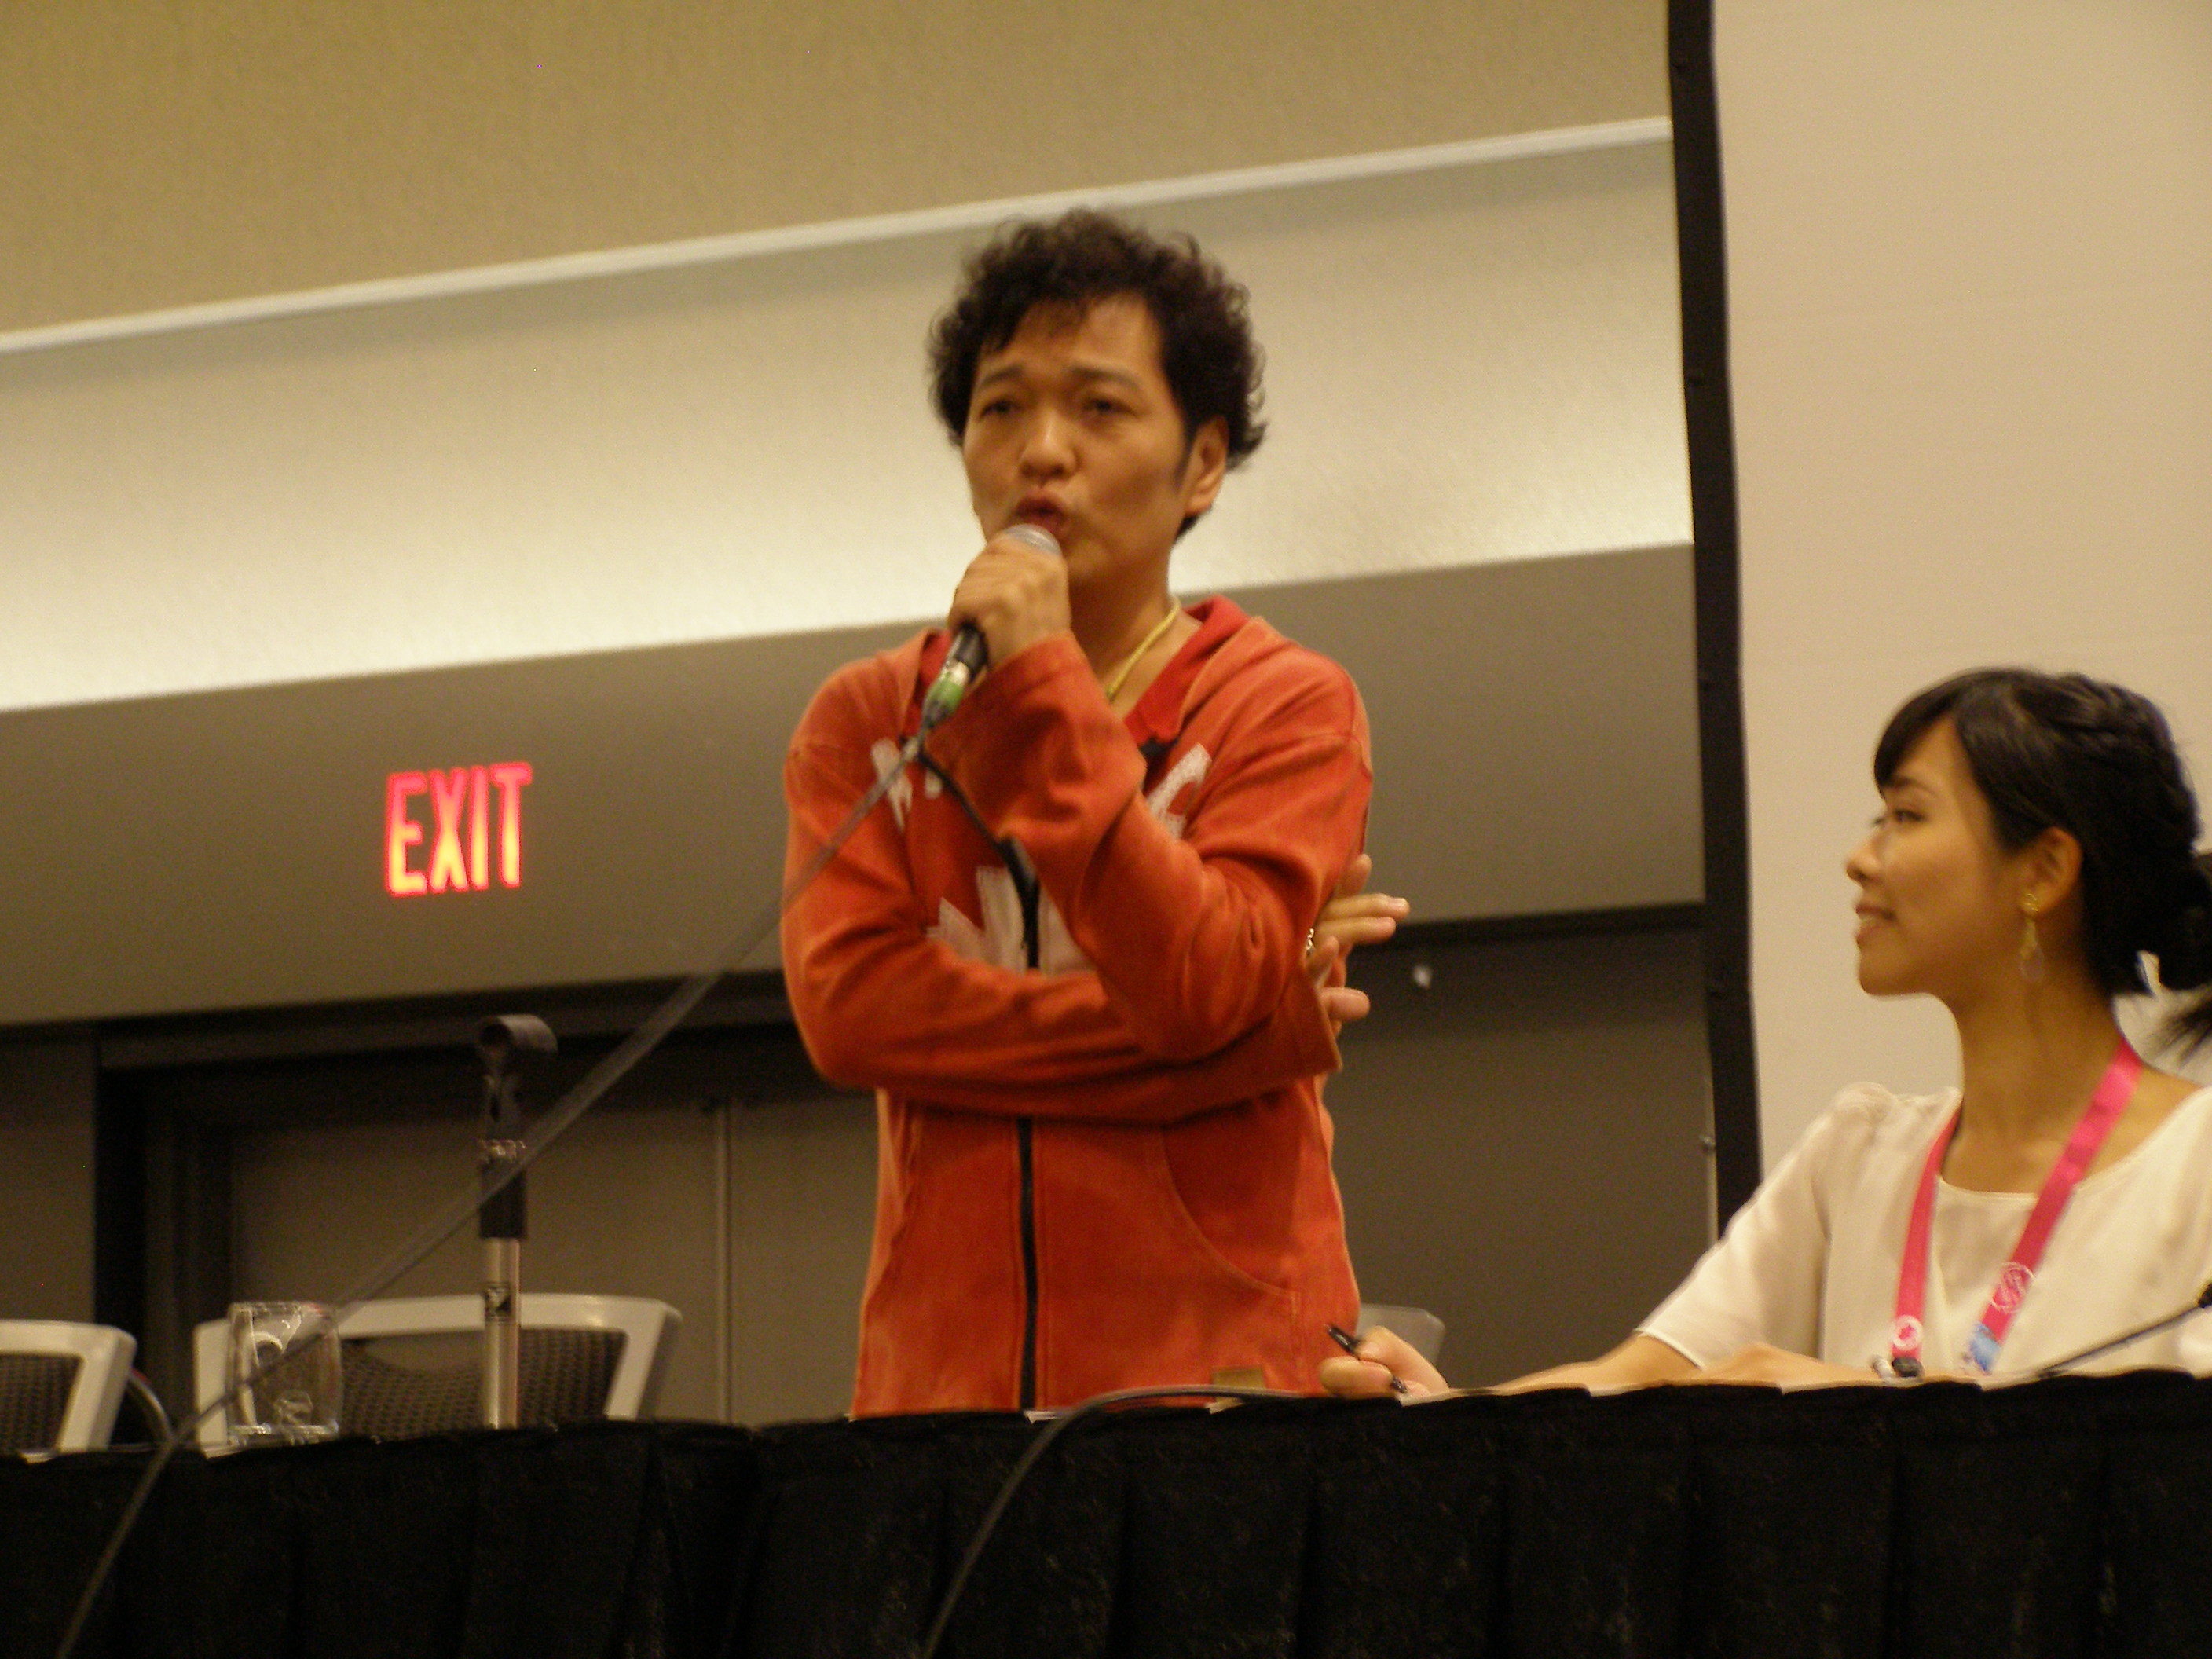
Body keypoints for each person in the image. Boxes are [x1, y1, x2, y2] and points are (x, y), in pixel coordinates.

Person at [782, 211, 1406, 1415]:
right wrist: (1236, 1048)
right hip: (938, 1404)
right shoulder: (865, 720)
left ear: (1204, 464)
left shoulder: (1287, 704)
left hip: (1219, 1392)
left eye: (1100, 408)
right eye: (1001, 408)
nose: (1041, 451)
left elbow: (1196, 980)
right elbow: (852, 1017)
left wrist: (1041, 689)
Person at [1327, 668, 2212, 1397]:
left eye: (1905, 817)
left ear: (2043, 871)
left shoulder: (2194, 1162)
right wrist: (1447, 1416)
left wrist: (1858, 1405)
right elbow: (1632, 1384)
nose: (1860, 859)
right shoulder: (1859, 1153)